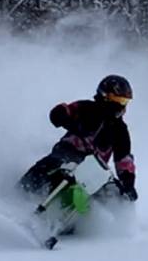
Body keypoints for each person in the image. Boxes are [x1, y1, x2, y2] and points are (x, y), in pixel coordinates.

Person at [19, 74, 138, 202]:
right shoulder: (86, 108)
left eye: (124, 101)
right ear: (105, 96)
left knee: (109, 194)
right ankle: (21, 193)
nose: (121, 105)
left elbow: (124, 160)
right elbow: (67, 110)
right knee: (50, 165)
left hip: (93, 169)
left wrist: (128, 184)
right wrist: (61, 114)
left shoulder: (120, 131)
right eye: (118, 100)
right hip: (68, 152)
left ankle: (89, 219)